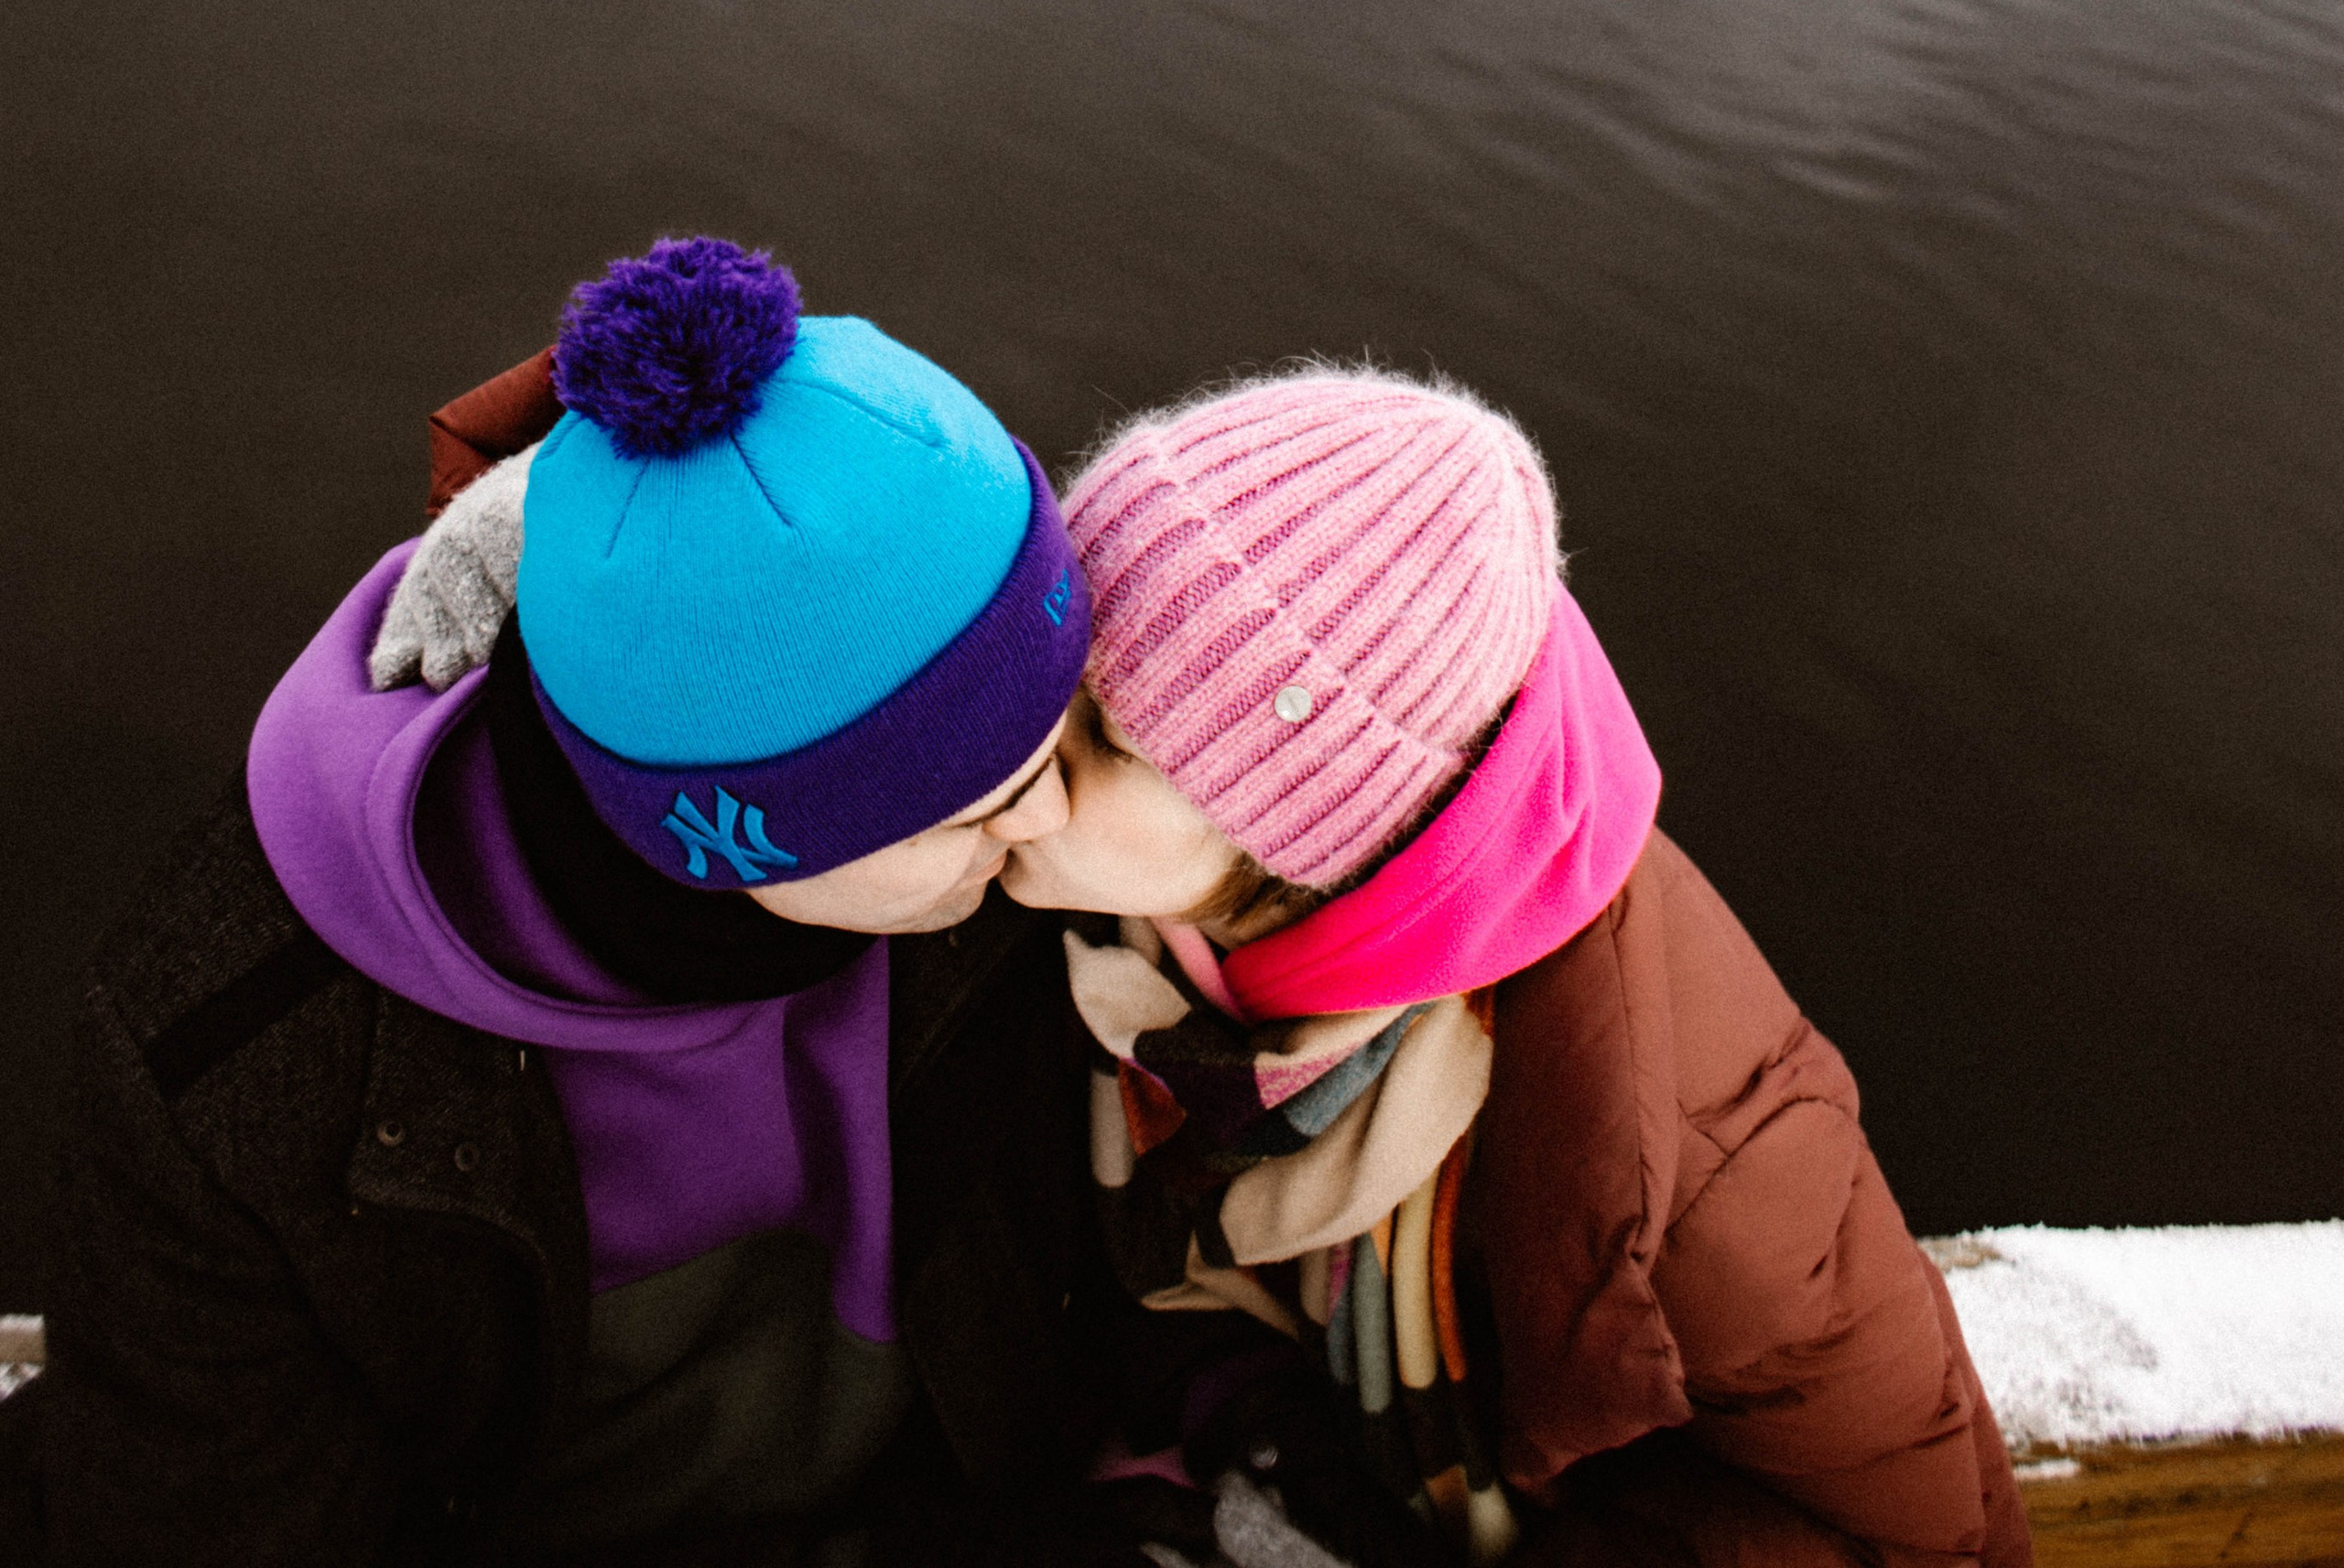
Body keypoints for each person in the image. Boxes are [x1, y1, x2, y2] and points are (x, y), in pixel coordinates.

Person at [2, 237, 1193, 1568]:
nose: (1054, 821)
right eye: (975, 806)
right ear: (728, 842)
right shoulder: (232, 1069)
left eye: (1070, 737)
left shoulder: (994, 869)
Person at [998, 367, 2034, 1568]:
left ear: (1297, 834)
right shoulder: (1136, 930)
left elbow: (1911, 1542)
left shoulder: (1702, 1176)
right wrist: (1251, 1420)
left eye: (1106, 735)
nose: (1019, 736)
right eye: (1044, 651)